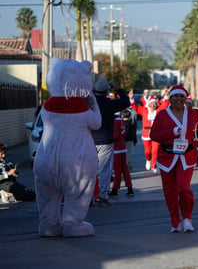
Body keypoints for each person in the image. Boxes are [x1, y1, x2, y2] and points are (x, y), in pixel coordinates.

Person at [34, 58, 102, 237]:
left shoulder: (46, 107)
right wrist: (92, 102)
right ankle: (73, 224)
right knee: (78, 191)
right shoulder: (81, 108)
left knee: (47, 195)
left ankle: (48, 224)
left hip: (45, 159)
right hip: (75, 161)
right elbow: (96, 123)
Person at [150, 85, 198, 233]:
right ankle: (175, 220)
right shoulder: (161, 115)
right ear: (170, 98)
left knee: (183, 188)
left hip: (187, 156)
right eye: (175, 97)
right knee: (169, 191)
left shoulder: (192, 114)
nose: (178, 99)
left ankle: (187, 218)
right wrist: (171, 132)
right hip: (167, 157)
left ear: (185, 99)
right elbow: (154, 135)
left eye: (181, 97)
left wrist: (197, 144)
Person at [92, 80, 130, 207]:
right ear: (106, 91)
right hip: (105, 141)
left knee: (88, 171)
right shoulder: (109, 103)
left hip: (89, 141)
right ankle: (103, 197)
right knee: (104, 170)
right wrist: (118, 89)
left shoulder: (89, 103)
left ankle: (88, 197)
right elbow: (126, 101)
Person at [129, 90, 169, 172]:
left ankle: (153, 165)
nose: (153, 105)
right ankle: (148, 160)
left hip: (156, 134)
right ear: (149, 104)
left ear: (156, 105)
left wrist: (166, 95)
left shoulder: (158, 111)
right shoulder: (144, 110)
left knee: (155, 150)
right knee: (147, 151)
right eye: (151, 104)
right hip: (146, 134)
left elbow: (165, 104)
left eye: (154, 104)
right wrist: (131, 98)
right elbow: (135, 107)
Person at [109, 112, 134, 197]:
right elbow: (123, 134)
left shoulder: (115, 122)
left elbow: (115, 136)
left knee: (117, 170)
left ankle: (115, 190)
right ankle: (130, 188)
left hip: (116, 148)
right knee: (125, 169)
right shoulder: (121, 121)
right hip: (122, 146)